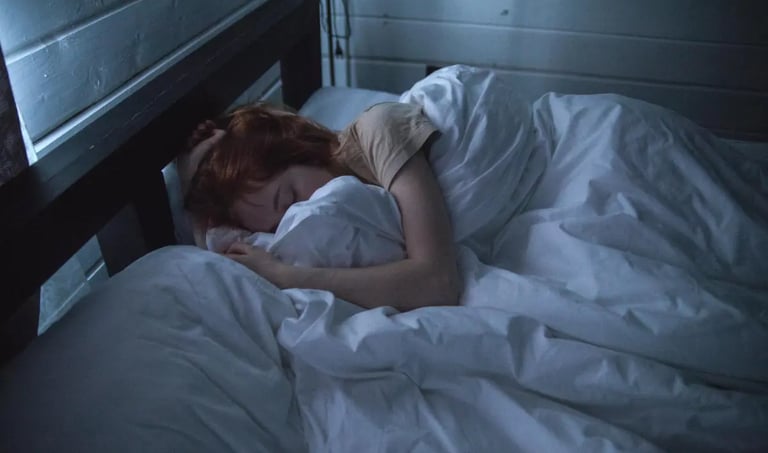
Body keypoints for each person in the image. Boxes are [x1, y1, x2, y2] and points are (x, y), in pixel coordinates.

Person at [178, 102, 460, 311]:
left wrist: (285, 277)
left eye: (290, 198)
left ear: (300, 149)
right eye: (277, 227)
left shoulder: (378, 131)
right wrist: (194, 174)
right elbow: (220, 255)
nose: (301, 217)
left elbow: (437, 282)